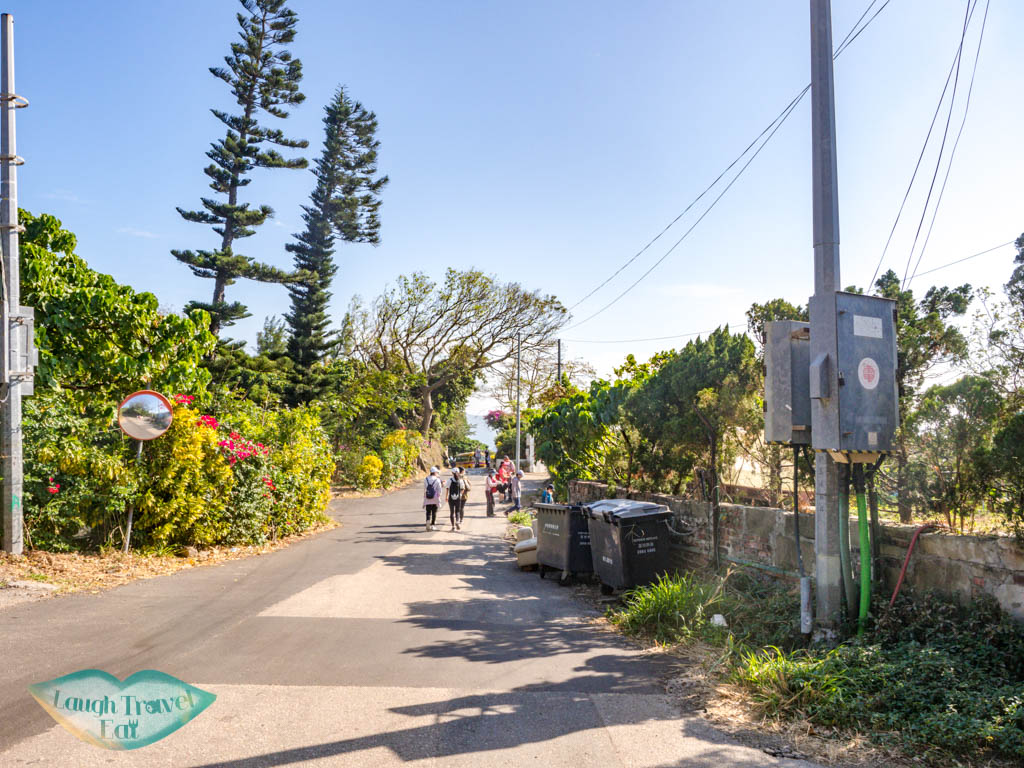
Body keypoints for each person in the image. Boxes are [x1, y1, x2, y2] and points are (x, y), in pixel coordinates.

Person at [423, 467, 442, 531]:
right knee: (434, 512)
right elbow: (439, 490)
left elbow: (425, 488)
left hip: (428, 496)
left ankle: (428, 521)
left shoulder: (426, 479)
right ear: (435, 472)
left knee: (428, 511)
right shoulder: (437, 480)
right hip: (435, 497)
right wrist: (439, 495)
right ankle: (433, 525)